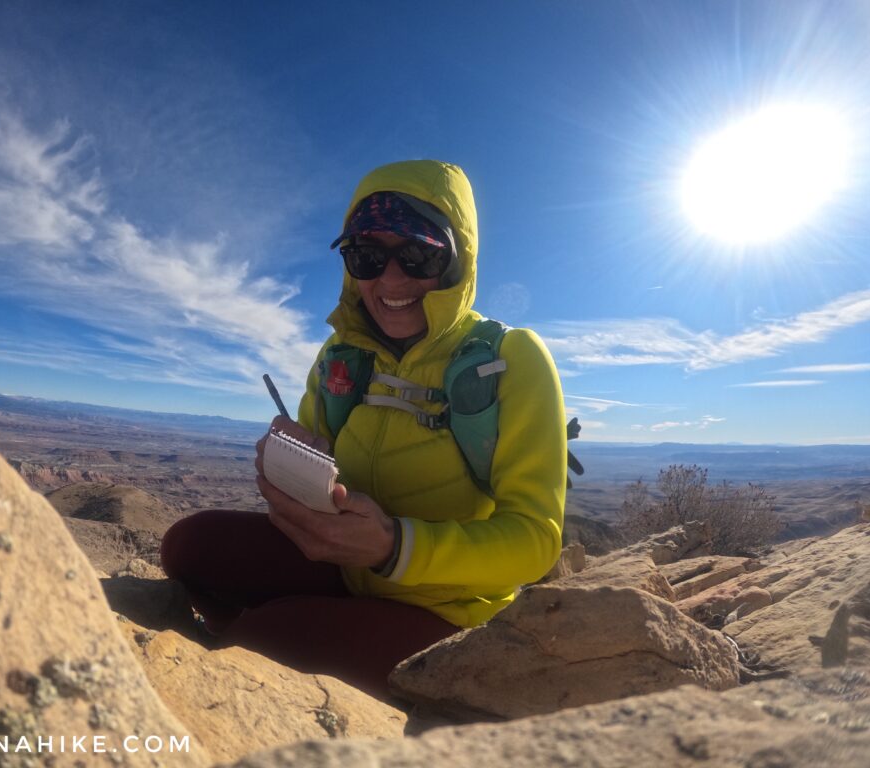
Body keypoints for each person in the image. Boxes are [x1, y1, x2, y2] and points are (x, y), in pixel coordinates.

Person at [160, 159, 567, 700]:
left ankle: (298, 630)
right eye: (367, 256)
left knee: (250, 648)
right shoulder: (343, 354)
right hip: (342, 569)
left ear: (458, 261)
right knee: (188, 547)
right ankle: (313, 625)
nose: (390, 279)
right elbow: (316, 457)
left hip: (445, 607)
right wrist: (286, 466)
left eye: (419, 255)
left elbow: (535, 540)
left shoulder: (509, 359)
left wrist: (394, 547)